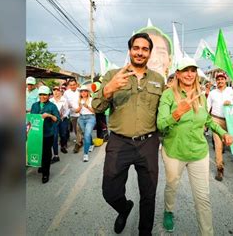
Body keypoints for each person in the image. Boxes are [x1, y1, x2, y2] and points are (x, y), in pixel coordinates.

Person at [92, 33, 165, 235]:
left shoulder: (159, 79)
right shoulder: (113, 75)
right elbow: (96, 105)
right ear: (130, 50)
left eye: (145, 49)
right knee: (110, 192)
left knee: (148, 195)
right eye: (136, 48)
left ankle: (145, 232)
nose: (140, 52)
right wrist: (109, 89)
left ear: (149, 53)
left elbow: (163, 113)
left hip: (148, 143)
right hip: (119, 142)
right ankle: (124, 209)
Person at [157, 59, 233, 235]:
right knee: (172, 186)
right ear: (178, 74)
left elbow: (207, 120)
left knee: (203, 198)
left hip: (199, 152)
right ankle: (169, 211)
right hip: (174, 152)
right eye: (185, 70)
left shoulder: (201, 95)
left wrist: (223, 133)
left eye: (193, 70)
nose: (189, 74)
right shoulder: (168, 95)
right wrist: (177, 113)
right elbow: (161, 125)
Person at [207, 72, 233, 181]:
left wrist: (230, 104)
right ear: (216, 81)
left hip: (230, 120)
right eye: (218, 79)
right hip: (216, 119)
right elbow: (207, 107)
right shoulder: (212, 93)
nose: (220, 81)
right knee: (218, 146)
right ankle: (220, 169)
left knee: (231, 142)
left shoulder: (231, 92)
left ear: (225, 80)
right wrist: (205, 122)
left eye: (222, 79)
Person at [30, 86, 60, 183]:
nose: (43, 97)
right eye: (41, 94)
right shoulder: (34, 105)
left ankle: (46, 173)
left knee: (46, 153)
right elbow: (31, 118)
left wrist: (49, 115)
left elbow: (57, 119)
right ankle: (42, 166)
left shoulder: (52, 106)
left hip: (48, 134)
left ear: (48, 95)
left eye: (45, 95)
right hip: (36, 133)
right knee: (39, 151)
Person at [75, 84, 96, 162]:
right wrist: (80, 107)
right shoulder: (78, 100)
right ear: (80, 93)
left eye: (85, 91)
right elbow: (75, 111)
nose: (83, 93)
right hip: (81, 118)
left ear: (88, 92)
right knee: (86, 133)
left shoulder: (91, 99)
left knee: (87, 135)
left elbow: (95, 111)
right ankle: (92, 144)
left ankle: (85, 154)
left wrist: (87, 107)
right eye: (82, 91)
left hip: (90, 118)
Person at [50, 85, 70, 162]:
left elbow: (67, 110)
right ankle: (56, 155)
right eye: (54, 90)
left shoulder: (64, 100)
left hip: (63, 120)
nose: (56, 92)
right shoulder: (51, 100)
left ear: (60, 91)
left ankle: (63, 146)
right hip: (54, 121)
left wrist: (64, 115)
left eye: (57, 90)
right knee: (54, 137)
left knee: (63, 134)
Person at [63, 79, 83, 153]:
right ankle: (80, 142)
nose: (72, 86)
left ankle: (78, 143)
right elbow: (66, 104)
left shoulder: (80, 91)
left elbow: (84, 99)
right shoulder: (66, 93)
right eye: (71, 85)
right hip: (73, 114)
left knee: (81, 129)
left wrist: (80, 108)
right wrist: (73, 109)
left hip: (82, 113)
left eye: (74, 84)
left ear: (76, 84)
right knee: (76, 129)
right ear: (69, 85)